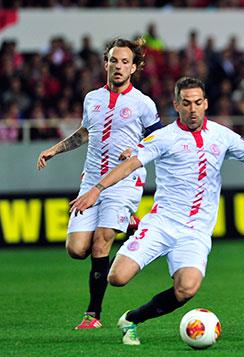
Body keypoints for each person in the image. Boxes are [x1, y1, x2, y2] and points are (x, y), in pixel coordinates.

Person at [69, 76, 244, 346]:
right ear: (177, 105)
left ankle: (132, 320)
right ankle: (133, 226)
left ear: (206, 103)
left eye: (198, 102)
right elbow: (129, 165)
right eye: (186, 103)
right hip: (161, 223)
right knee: (116, 278)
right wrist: (97, 189)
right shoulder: (162, 138)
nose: (193, 109)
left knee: (187, 288)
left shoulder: (222, 136)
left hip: (196, 231)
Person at [36, 38, 162, 329]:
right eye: (114, 60)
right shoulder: (92, 98)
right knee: (76, 249)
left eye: (125, 62)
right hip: (91, 179)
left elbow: (159, 139)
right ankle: (130, 223)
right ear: (106, 63)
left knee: (101, 242)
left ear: (133, 68)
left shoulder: (143, 104)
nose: (119, 66)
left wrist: (137, 151)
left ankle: (92, 315)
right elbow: (84, 132)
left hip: (124, 181)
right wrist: (55, 149)